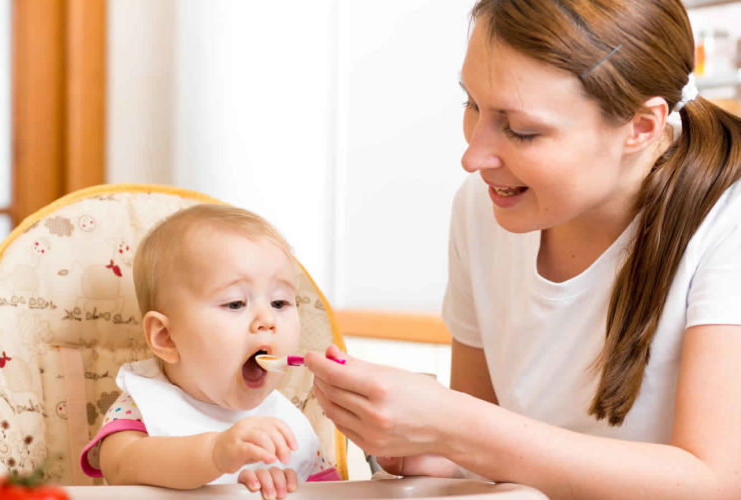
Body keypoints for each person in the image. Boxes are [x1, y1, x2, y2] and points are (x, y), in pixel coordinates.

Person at [306, 0, 741, 498]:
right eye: (471, 105)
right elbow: (489, 457)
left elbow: (717, 481)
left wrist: (456, 426)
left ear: (641, 127)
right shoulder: (483, 209)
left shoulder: (728, 222)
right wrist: (436, 448)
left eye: (522, 130)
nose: (473, 156)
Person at [79, 204, 340, 499]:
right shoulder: (143, 406)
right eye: (235, 304)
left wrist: (288, 488)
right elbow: (122, 466)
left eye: (279, 303)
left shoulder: (286, 420)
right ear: (167, 337)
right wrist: (214, 453)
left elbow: (332, 493)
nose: (267, 321)